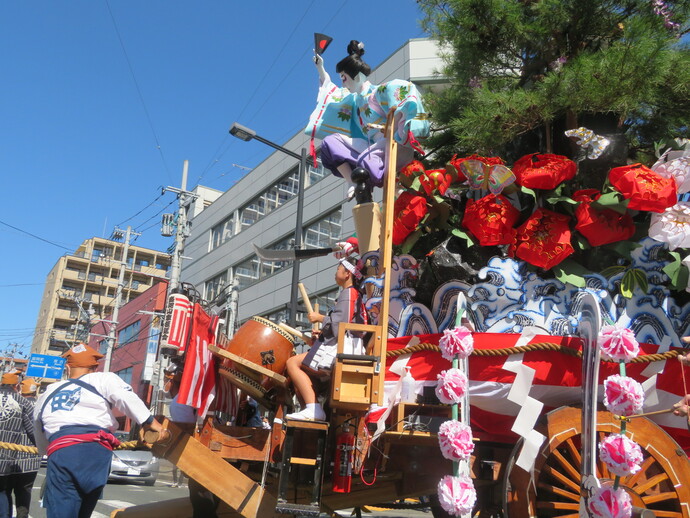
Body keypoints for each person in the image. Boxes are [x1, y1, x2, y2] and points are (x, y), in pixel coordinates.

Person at [33, 344, 164, 518]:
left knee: (63, 505)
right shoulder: (103, 379)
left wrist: (45, 451)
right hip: (97, 453)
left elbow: (37, 425)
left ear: (67, 367)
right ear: (95, 368)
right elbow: (125, 397)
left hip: (62, 450)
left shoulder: (49, 391)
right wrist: (150, 422)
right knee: (85, 507)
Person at [305, 39, 430, 199]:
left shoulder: (377, 93)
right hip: (369, 145)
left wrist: (405, 125)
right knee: (330, 143)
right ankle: (353, 182)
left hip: (388, 143)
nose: (343, 85)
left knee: (366, 160)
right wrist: (320, 68)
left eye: (344, 78)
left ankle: (394, 187)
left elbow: (401, 90)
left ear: (356, 77)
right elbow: (331, 92)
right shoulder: (353, 100)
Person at [285, 257, 368, 421]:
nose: (335, 273)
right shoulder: (351, 294)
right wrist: (321, 333)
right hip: (344, 344)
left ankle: (313, 409)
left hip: (344, 347)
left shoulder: (349, 293)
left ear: (347, 274)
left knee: (292, 363)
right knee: (300, 370)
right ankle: (311, 408)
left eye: (338, 269)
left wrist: (320, 318)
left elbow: (340, 325)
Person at [0, 371, 40, 518]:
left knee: (4, 491)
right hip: (21, 460)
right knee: (21, 493)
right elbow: (33, 431)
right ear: (16, 386)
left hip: (11, 459)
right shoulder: (25, 403)